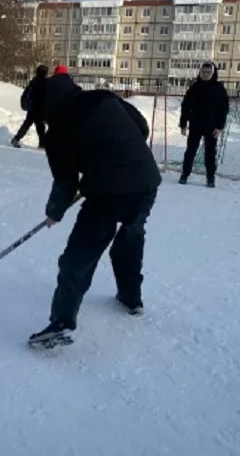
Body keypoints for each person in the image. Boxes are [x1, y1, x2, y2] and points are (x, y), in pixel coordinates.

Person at [28, 70, 162, 346]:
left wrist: (55, 211)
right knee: (130, 238)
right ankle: (131, 298)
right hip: (146, 182)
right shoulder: (103, 97)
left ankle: (62, 321)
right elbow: (141, 126)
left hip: (107, 194)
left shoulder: (58, 131)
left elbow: (65, 180)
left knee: (79, 256)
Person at [178, 62, 230, 188]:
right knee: (190, 152)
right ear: (200, 72)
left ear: (213, 73)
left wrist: (219, 127)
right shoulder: (194, 87)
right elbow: (186, 106)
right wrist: (183, 124)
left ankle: (210, 178)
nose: (205, 74)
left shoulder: (219, 88)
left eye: (208, 72)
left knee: (210, 154)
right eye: (203, 72)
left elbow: (223, 109)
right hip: (195, 125)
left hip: (211, 127)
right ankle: (184, 175)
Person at [11, 64, 48, 148]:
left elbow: (27, 93)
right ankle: (42, 144)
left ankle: (16, 139)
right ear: (45, 73)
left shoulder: (33, 81)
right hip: (40, 109)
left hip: (32, 108)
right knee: (40, 126)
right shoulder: (46, 82)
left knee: (28, 125)